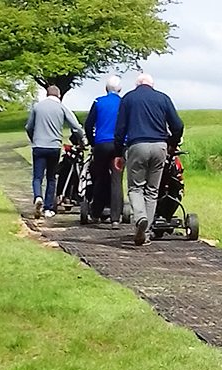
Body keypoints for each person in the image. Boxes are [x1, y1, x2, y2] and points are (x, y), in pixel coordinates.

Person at [113, 73, 184, 246]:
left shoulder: (128, 99)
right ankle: (145, 232)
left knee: (135, 188)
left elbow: (120, 129)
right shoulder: (163, 98)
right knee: (152, 191)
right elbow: (178, 125)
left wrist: (118, 152)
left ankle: (140, 218)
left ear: (137, 84)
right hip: (160, 146)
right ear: (152, 84)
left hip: (137, 145)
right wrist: (172, 145)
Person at [25, 85, 85, 219]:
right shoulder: (62, 107)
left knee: (37, 177)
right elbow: (76, 127)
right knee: (51, 178)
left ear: (47, 94)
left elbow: (29, 127)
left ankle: (37, 197)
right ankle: (48, 208)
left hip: (38, 146)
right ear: (58, 95)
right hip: (54, 147)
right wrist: (82, 140)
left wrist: (33, 138)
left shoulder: (37, 107)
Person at [84, 76, 123, 229]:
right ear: (119, 89)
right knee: (116, 180)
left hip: (101, 144)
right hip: (118, 145)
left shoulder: (98, 102)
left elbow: (88, 125)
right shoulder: (123, 103)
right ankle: (115, 218)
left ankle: (96, 213)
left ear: (106, 88)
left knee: (100, 178)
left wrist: (92, 142)